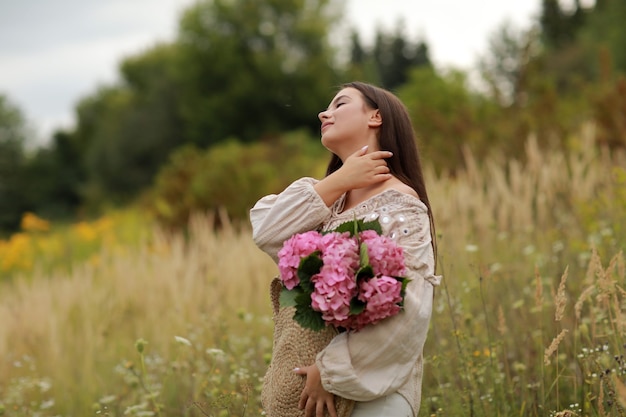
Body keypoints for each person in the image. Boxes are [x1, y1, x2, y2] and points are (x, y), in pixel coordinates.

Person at [250, 81, 440, 417]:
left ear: (376, 116)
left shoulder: (401, 203)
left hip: (374, 392)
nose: (325, 112)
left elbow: (410, 310)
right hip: (312, 394)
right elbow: (268, 232)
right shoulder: (326, 199)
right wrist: (340, 180)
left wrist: (332, 370)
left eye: (340, 104)